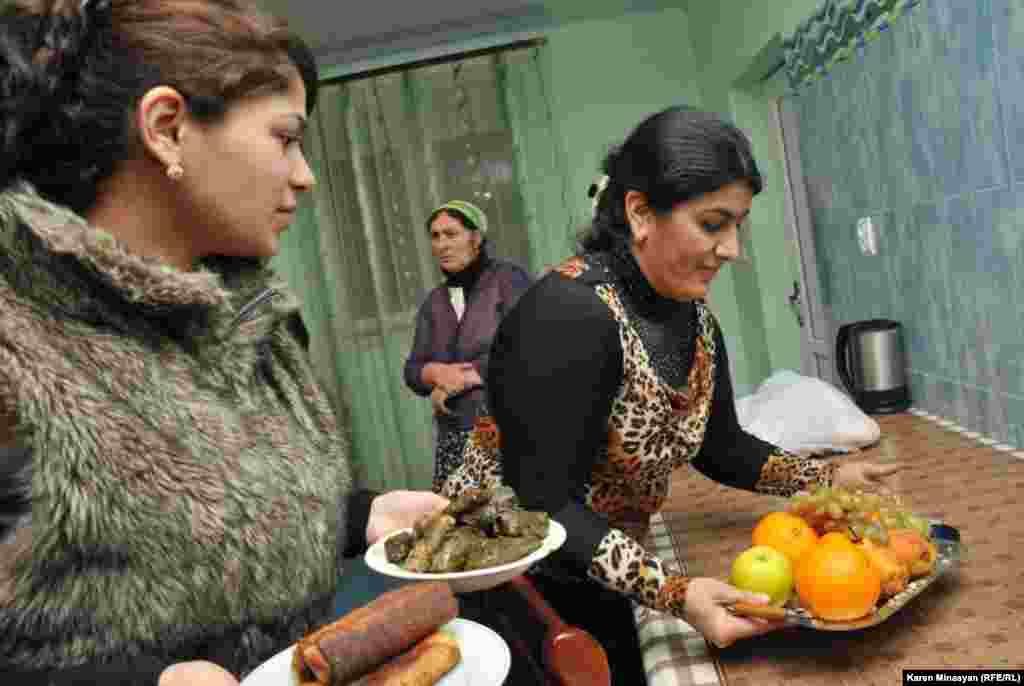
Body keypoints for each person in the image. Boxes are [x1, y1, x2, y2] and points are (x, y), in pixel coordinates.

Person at [0, 1, 446, 683]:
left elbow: (207, 519)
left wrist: (358, 516)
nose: (305, 174)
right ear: (167, 129)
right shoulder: (17, 341)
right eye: (285, 137)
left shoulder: (255, 317)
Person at [440, 106, 902, 683]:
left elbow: (721, 446)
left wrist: (826, 479)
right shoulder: (566, 315)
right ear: (639, 213)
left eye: (737, 226)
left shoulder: (694, 319)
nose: (732, 249)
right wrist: (675, 591)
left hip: (600, 565)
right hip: (520, 591)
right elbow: (543, 507)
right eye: (713, 224)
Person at [404, 200, 530, 491]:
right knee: (459, 516)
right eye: (435, 236)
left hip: (509, 431)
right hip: (455, 441)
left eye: (451, 234)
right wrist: (436, 374)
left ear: (476, 238)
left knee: (517, 514)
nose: (442, 244)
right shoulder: (434, 303)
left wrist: (468, 377)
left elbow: (529, 344)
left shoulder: (508, 280)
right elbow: (412, 370)